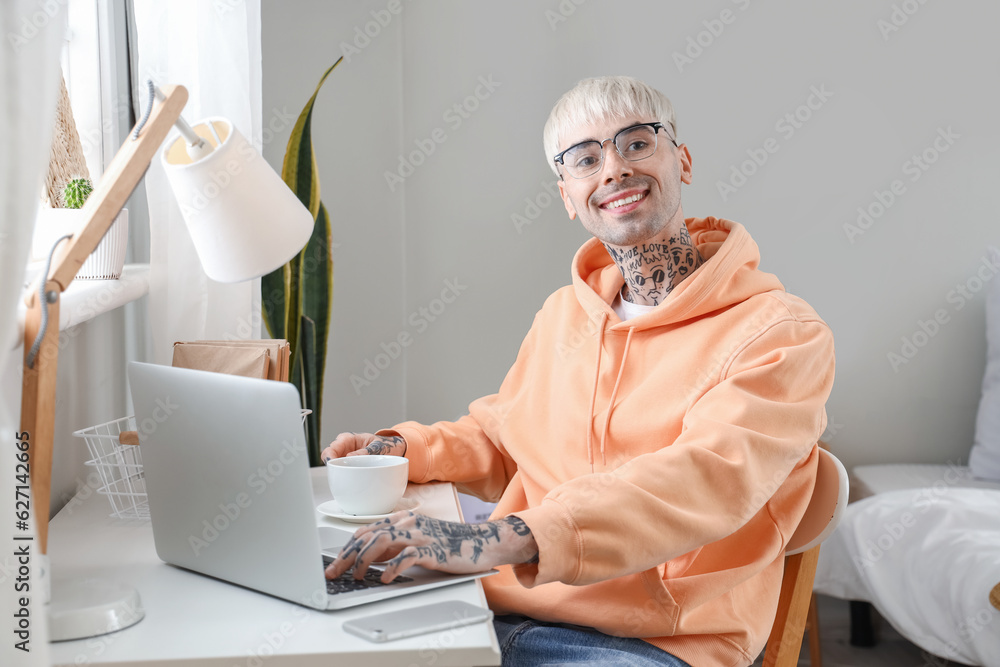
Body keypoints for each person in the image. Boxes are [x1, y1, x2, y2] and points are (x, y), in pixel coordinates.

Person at [322, 76, 835, 667]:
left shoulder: (783, 334)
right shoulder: (565, 314)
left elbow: (704, 479)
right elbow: (503, 438)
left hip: (652, 644)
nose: (613, 169)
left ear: (683, 161)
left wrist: (490, 540)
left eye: (636, 143)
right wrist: (397, 450)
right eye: (585, 158)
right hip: (494, 611)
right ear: (569, 196)